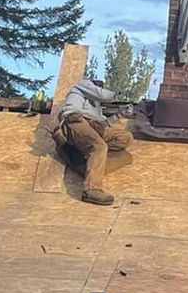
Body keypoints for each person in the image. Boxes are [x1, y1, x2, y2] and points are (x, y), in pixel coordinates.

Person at [55, 75, 132, 206]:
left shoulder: (96, 105)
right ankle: (91, 190)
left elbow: (104, 123)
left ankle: (89, 153)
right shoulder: (82, 85)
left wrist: (120, 114)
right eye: (99, 86)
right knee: (99, 147)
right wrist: (119, 91)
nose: (100, 88)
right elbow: (104, 95)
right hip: (76, 120)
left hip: (93, 127)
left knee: (126, 138)